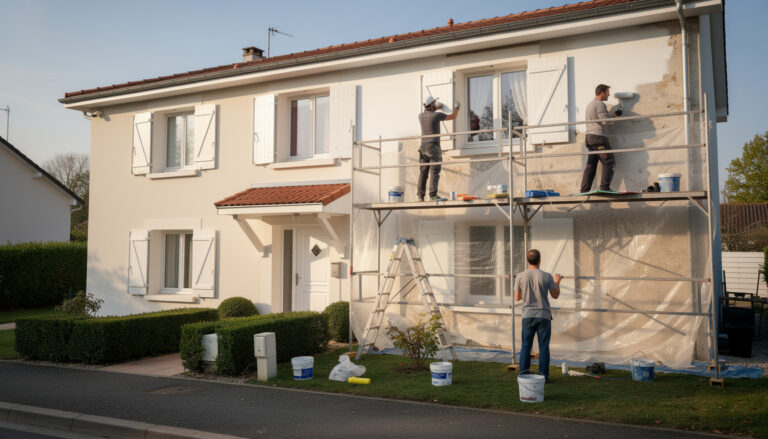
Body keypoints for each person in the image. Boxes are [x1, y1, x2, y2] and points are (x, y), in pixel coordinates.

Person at [514, 249, 561, 382]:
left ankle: (523, 375)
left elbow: (517, 297)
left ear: (528, 260)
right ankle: (543, 377)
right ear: (539, 260)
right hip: (543, 316)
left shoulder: (520, 276)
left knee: (526, 346)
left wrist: (529, 292)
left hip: (528, 315)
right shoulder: (546, 276)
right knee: (543, 346)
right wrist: (557, 281)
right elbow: (555, 295)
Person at [580, 84, 621, 193]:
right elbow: (605, 121)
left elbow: (600, 119)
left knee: (591, 165)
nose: (609, 94)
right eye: (608, 92)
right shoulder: (600, 104)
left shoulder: (589, 105)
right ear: (602, 92)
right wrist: (615, 116)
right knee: (608, 162)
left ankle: (584, 189)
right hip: (598, 137)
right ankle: (604, 187)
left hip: (589, 138)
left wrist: (611, 115)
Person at [417, 96, 460, 201]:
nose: (436, 104)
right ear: (431, 104)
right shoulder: (437, 115)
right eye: (434, 103)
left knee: (423, 172)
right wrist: (457, 107)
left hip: (422, 147)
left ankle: (420, 196)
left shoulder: (420, 116)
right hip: (433, 146)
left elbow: (430, 112)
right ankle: (432, 195)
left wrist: (436, 107)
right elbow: (453, 116)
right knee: (435, 171)